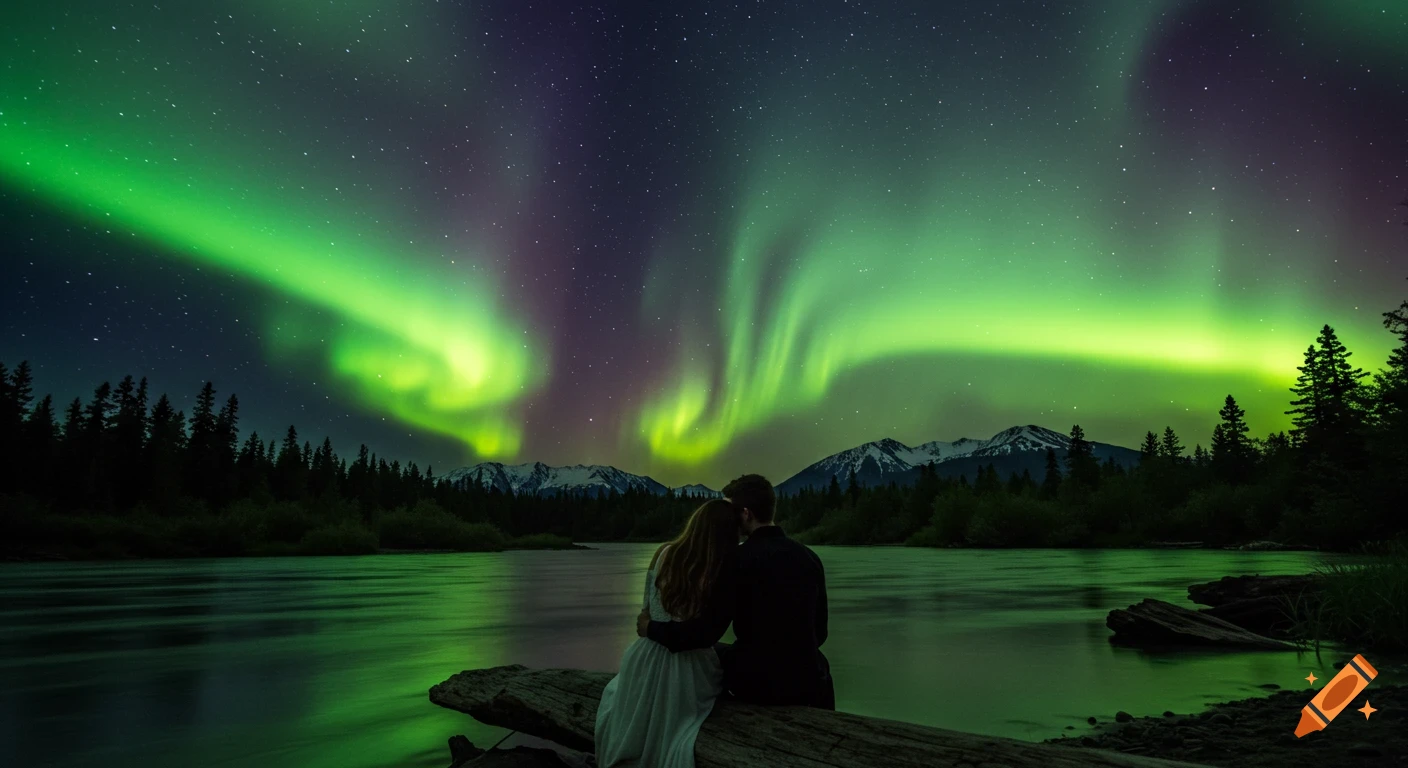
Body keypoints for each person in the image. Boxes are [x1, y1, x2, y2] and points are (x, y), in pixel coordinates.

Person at [640, 474, 834, 710]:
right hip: (808, 679)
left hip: (758, 683)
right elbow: (820, 633)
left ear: (745, 514)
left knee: (711, 654)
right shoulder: (810, 557)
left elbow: (704, 634)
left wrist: (651, 628)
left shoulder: (735, 561)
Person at [594, 499, 739, 768]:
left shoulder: (663, 552)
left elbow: (646, 608)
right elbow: (705, 631)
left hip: (645, 655)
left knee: (622, 705)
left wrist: (652, 625)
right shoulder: (720, 568)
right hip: (690, 666)